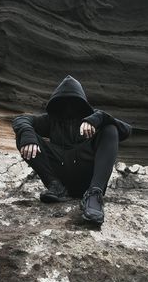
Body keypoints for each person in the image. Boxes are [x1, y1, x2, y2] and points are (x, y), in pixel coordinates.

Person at [12, 75, 132, 224]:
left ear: (82, 103)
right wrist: (28, 135)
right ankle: (55, 186)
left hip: (88, 181)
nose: (69, 108)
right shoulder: (51, 120)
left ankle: (94, 195)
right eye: (63, 103)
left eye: (74, 103)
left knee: (110, 129)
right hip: (60, 179)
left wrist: (97, 118)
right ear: (56, 104)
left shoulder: (93, 118)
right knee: (23, 135)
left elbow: (126, 130)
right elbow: (21, 119)